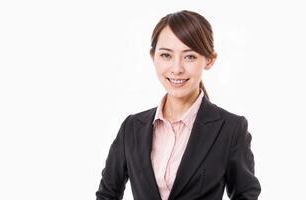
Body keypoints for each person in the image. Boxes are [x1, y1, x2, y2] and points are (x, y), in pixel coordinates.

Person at [96, 10, 261, 200]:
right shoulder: (132, 128)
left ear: (209, 60)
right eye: (166, 55)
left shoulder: (231, 129)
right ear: (153, 57)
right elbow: (107, 194)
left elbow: (245, 195)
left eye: (189, 56)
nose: (176, 69)